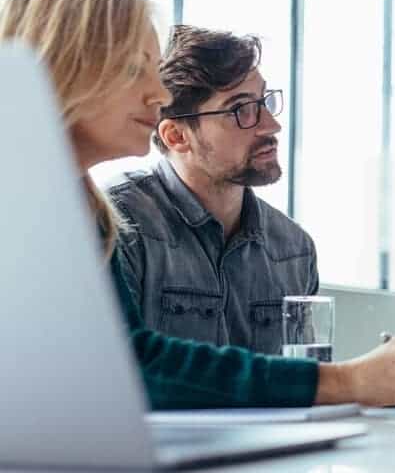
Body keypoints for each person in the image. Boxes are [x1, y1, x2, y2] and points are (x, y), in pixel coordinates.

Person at [0, 0, 395, 411]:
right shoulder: (88, 214)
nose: (157, 94)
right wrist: (349, 380)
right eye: (135, 68)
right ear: (68, 68)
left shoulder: (83, 209)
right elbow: (126, 369)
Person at [107, 25, 315, 356]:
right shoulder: (119, 225)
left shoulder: (294, 249)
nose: (271, 126)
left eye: (264, 102)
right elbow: (120, 376)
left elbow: (306, 380)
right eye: (241, 109)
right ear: (177, 136)